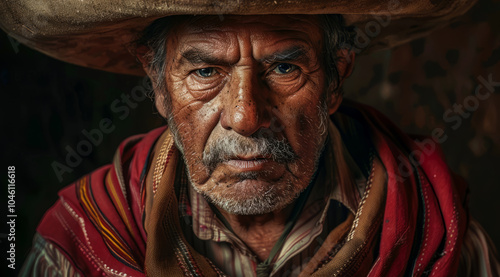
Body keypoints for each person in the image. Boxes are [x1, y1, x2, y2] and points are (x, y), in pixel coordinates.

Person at [1, 1, 498, 276]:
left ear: (334, 79)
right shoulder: (81, 240)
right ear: (158, 88)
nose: (245, 115)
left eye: (284, 67)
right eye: (204, 71)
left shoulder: (436, 230)